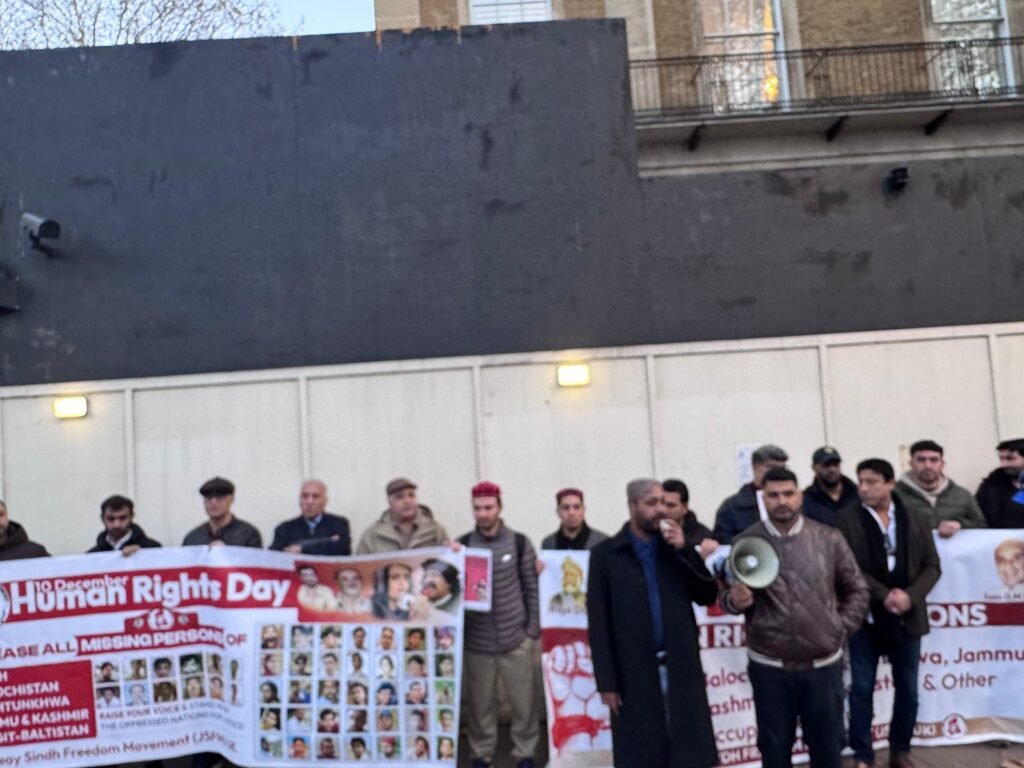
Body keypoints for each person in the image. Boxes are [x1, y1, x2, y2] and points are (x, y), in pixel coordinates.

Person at [723, 468, 868, 768]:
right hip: (770, 668)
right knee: (775, 751)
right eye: (773, 495)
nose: (782, 501)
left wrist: (837, 630)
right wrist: (734, 601)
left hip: (823, 667)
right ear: (763, 498)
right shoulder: (746, 542)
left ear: (799, 495)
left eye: (788, 493)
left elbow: (857, 590)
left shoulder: (829, 538)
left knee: (827, 750)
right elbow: (726, 596)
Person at [587, 479, 719, 768]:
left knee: (688, 750)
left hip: (679, 666)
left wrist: (685, 551)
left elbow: (706, 594)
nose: (660, 509)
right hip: (633, 671)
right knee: (644, 751)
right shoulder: (606, 555)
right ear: (632, 506)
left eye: (664, 502)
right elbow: (598, 621)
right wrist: (606, 681)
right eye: (651, 503)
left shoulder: (676, 548)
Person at [836, 459, 942, 768]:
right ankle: (863, 756)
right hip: (866, 618)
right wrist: (884, 595)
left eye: (872, 482)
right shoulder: (846, 519)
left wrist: (910, 595)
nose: (864, 488)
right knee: (862, 690)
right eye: (861, 482)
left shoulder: (915, 516)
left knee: (908, 689)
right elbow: (848, 568)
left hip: (908, 617)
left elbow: (932, 565)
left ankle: (900, 751)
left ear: (890, 483)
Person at [459, 481, 540, 768]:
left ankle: (525, 752)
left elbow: (531, 587)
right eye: (478, 508)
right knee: (481, 705)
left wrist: (531, 631)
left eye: (488, 507)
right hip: (477, 641)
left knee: (524, 703)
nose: (483, 514)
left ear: (499, 507)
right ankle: (481, 753)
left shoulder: (519, 543)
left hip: (515, 638)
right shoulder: (464, 545)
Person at [895, 440, 986, 537]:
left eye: (934, 460)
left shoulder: (962, 495)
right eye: (921, 460)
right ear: (911, 463)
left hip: (952, 552)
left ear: (942, 464)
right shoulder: (894, 495)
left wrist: (960, 524)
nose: (927, 466)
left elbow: (982, 526)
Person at [712, 444, 788, 544]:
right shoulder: (731, 507)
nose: (778, 474)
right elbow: (722, 542)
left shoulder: (793, 502)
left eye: (783, 469)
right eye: (772, 468)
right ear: (755, 467)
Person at [356, 477, 450, 553]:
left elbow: (448, 566)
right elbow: (361, 569)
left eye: (411, 495)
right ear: (389, 502)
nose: (407, 501)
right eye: (399, 497)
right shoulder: (372, 535)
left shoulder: (435, 530)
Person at [269, 479, 351, 555]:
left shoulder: (338, 524)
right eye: (305, 496)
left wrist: (301, 549)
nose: (309, 502)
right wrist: (325, 543)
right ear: (299, 500)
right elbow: (275, 555)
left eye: (315, 496)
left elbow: (343, 550)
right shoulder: (284, 529)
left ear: (325, 501)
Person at [182, 477, 262, 547]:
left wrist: (226, 553)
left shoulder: (248, 534)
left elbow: (254, 562)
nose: (213, 502)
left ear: (232, 499)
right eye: (208, 497)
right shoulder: (193, 538)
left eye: (220, 496)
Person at [801, 446, 858, 527]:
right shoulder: (806, 499)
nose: (832, 469)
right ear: (813, 467)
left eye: (836, 464)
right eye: (826, 465)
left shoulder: (857, 494)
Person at [88, 495, 161, 554]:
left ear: (132, 516)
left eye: (122, 518)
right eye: (111, 519)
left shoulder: (152, 549)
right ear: (102, 518)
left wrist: (142, 555)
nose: (116, 524)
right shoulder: (92, 556)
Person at [976, 438, 1024, 528]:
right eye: (1001, 459)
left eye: (1010, 458)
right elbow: (977, 517)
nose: (1003, 464)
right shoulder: (991, 486)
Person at [662, 478, 718, 556]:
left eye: (671, 505)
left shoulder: (703, 536)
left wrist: (685, 546)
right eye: (662, 504)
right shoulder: (651, 532)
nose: (664, 510)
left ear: (685, 507)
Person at [540, 488, 608, 550]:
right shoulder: (549, 543)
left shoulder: (602, 542)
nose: (571, 512)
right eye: (566, 507)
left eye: (576, 507)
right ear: (558, 512)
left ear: (583, 510)